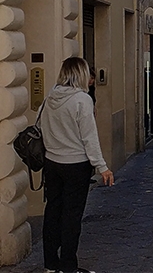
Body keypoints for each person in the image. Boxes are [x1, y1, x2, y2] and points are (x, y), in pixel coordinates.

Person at [41, 57, 115, 273]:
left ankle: (50, 264)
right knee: (72, 216)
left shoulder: (51, 96)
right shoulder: (82, 100)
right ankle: (68, 266)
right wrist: (102, 167)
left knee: (52, 212)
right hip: (75, 164)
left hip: (52, 162)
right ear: (81, 74)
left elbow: (44, 128)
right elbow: (89, 138)